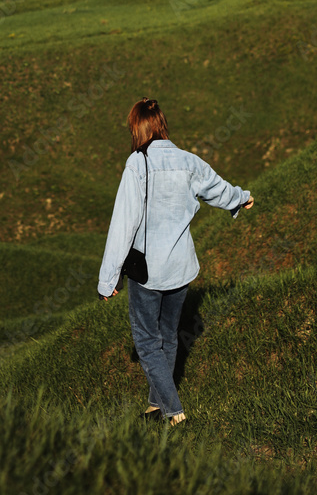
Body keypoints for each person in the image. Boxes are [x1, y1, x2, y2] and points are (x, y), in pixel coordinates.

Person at [97, 97, 254, 426]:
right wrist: (242, 198)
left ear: (138, 129)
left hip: (148, 272)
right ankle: (156, 406)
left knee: (146, 341)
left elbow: (122, 226)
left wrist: (107, 281)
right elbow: (217, 188)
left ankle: (174, 411)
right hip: (181, 269)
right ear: (162, 124)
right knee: (168, 337)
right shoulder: (188, 161)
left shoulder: (136, 165)